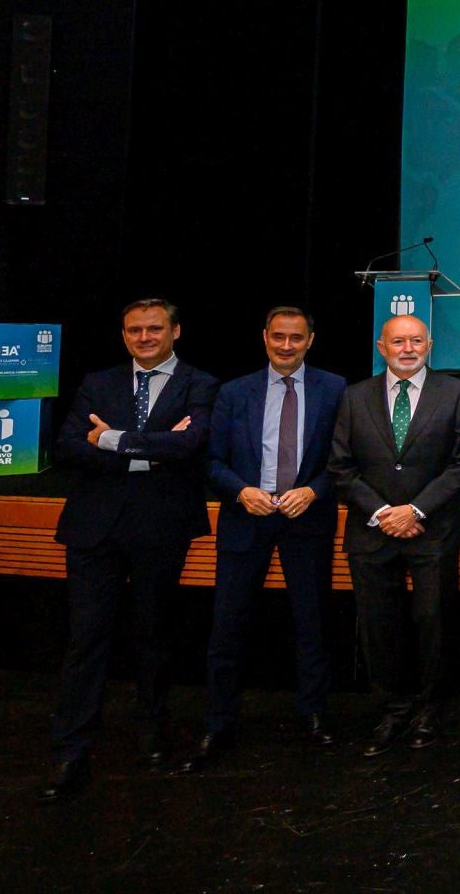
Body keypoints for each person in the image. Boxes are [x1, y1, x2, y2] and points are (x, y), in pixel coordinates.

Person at [41, 299, 219, 801]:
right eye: (134, 330)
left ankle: (151, 734)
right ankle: (70, 751)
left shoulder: (200, 384)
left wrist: (112, 440)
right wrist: (150, 449)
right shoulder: (97, 382)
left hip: (161, 528)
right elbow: (69, 447)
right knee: (86, 641)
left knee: (153, 636)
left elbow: (190, 447)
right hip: (93, 529)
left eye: (154, 328)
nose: (144, 337)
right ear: (123, 335)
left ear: (175, 331)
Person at [178, 307, 344, 774]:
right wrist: (239, 491)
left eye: (295, 338)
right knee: (227, 626)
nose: (286, 346)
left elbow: (346, 459)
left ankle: (313, 714)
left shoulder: (335, 390)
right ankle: (219, 723)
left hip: (307, 518)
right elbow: (210, 460)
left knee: (312, 625)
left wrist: (314, 490)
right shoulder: (233, 392)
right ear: (264, 338)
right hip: (245, 518)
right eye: (278, 337)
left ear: (311, 339)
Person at [327, 315, 460, 756]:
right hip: (371, 532)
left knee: (434, 623)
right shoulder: (354, 397)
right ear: (382, 346)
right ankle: (393, 710)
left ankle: (430, 710)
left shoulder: (455, 394)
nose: (408, 348)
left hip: (432, 530)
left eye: (416, 340)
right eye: (399, 341)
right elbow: (340, 466)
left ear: (430, 344)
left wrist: (414, 510)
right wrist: (381, 512)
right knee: (379, 627)